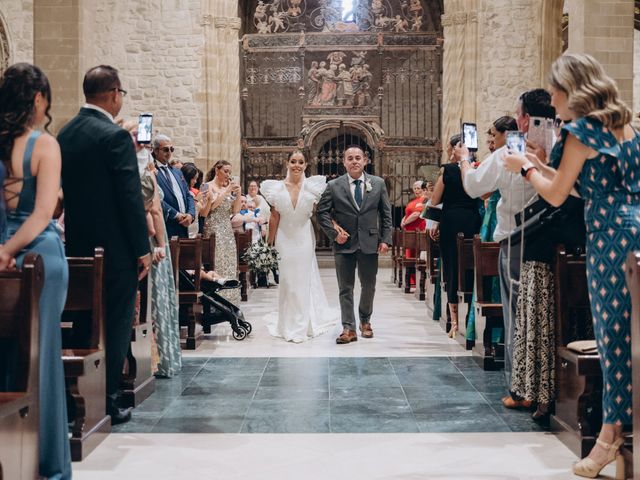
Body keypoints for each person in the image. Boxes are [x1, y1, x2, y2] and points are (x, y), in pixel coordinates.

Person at [504, 53, 640, 479]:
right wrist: (543, 164)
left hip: (609, 240)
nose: (552, 102)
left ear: (570, 91)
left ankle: (609, 439)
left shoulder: (581, 130)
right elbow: (589, 184)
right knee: (634, 337)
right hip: (634, 230)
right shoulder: (627, 125)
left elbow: (558, 195)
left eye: (554, 93)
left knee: (614, 338)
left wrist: (525, 167)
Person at [58, 65, 151, 425]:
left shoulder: (65, 134)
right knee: (113, 324)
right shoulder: (113, 137)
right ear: (114, 93)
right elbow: (129, 198)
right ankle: (109, 399)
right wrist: (141, 249)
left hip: (76, 247)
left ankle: (75, 398)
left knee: (82, 321)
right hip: (115, 252)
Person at [0, 63, 72, 480]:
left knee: (8, 351)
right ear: (39, 98)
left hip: (3, 251)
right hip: (37, 255)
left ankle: (11, 456)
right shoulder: (43, 144)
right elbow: (45, 211)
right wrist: (11, 249)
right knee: (41, 355)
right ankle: (47, 463)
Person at [460, 89, 553, 408]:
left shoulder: (509, 152)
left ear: (524, 118)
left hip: (516, 239)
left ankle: (522, 388)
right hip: (556, 238)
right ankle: (549, 385)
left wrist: (464, 161)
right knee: (549, 313)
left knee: (518, 313)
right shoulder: (560, 144)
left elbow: (474, 186)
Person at [260, 151, 339, 342]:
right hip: (284, 239)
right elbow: (275, 217)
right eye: (293, 161)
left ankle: (301, 326)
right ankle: (287, 323)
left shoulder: (313, 187)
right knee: (287, 281)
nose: (297, 165)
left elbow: (323, 213)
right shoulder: (276, 188)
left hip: (304, 238)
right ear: (287, 163)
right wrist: (268, 245)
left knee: (302, 281)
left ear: (306, 165)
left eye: (301, 162)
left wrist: (335, 226)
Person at [317, 146, 393, 344]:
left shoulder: (377, 184)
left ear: (365, 160)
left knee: (369, 285)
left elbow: (386, 214)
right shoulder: (334, 185)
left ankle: (365, 321)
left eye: (357, 158)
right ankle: (348, 327)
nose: (354, 161)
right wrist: (334, 233)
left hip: (369, 242)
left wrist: (386, 239)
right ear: (344, 162)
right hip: (344, 244)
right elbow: (322, 212)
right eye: (349, 158)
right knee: (345, 287)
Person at [125, 121, 182, 379]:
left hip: (124, 240)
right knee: (156, 299)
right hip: (149, 242)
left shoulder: (116, 168)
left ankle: (130, 364)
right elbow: (155, 210)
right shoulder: (145, 170)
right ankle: (159, 359)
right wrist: (161, 244)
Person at [429, 134, 481, 339]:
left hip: (451, 222)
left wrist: (433, 224)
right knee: (471, 266)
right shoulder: (477, 169)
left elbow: (434, 200)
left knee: (451, 267)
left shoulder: (448, 170)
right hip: (472, 220)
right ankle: (470, 318)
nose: (451, 153)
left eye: (452, 149)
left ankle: (454, 322)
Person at [200, 160, 242, 304]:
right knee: (217, 261)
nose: (228, 175)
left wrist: (238, 193)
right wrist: (227, 190)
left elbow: (235, 211)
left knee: (229, 261)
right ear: (217, 170)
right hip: (213, 229)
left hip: (227, 229)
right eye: (225, 171)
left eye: (230, 172)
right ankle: (217, 300)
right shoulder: (207, 186)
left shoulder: (227, 188)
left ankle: (230, 298)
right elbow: (211, 208)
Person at [153, 134, 195, 239]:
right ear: (156, 151)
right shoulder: (152, 172)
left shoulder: (177, 172)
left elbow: (188, 195)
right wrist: (176, 215)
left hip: (183, 225)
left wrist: (190, 214)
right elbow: (156, 198)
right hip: (166, 224)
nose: (169, 153)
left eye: (171, 149)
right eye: (166, 150)